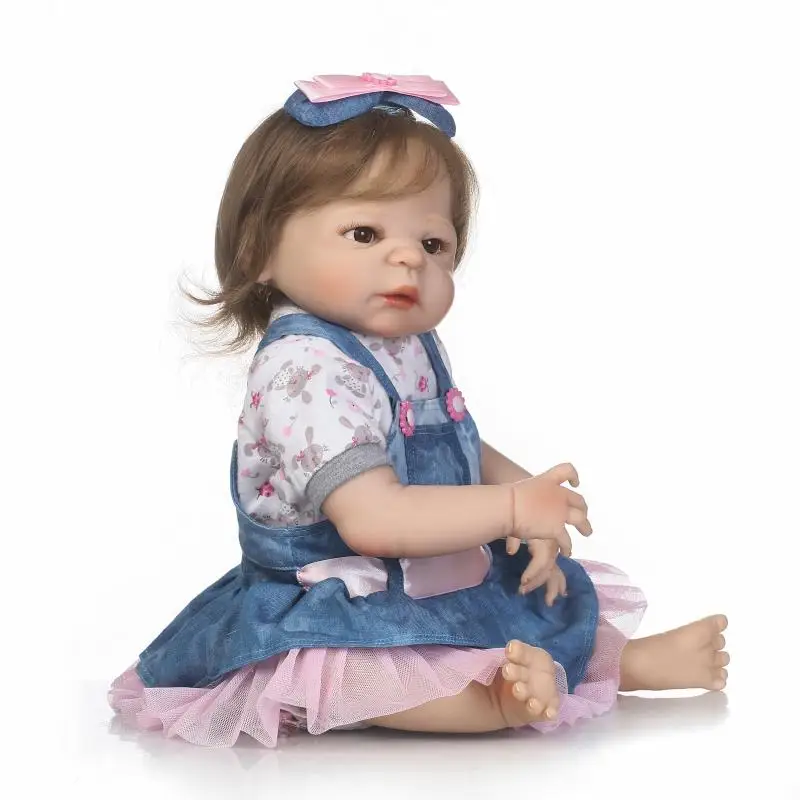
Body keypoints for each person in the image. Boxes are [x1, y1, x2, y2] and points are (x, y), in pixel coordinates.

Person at [108, 73, 729, 748]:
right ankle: (488, 700)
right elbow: (372, 518)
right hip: (338, 599)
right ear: (258, 249)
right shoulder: (304, 370)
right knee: (353, 672)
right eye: (364, 232)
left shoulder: (406, 345)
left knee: (540, 598)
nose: (408, 258)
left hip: (437, 577)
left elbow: (456, 439)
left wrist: (527, 493)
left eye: (434, 244)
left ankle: (624, 664)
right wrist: (511, 508)